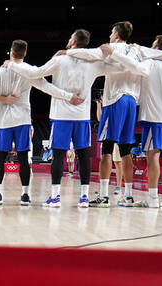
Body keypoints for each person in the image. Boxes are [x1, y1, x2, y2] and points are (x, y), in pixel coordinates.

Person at [0, 39, 80, 205]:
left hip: (4, 122)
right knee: (23, 157)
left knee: (0, 158)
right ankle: (25, 195)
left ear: (11, 52)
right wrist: (69, 96)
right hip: (23, 120)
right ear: (24, 54)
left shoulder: (1, 71)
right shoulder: (29, 71)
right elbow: (48, 88)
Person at [8, 29, 115, 207]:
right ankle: (84, 197)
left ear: (73, 42)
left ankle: (56, 197)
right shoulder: (93, 63)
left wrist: (12, 65)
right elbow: (117, 67)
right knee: (83, 156)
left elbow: (36, 73)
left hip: (61, 115)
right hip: (82, 116)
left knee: (58, 155)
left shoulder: (59, 59)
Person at [62, 21, 144, 206]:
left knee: (107, 149)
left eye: (111, 32)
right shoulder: (136, 51)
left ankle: (104, 196)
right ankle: (129, 196)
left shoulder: (113, 47)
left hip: (115, 99)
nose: (109, 35)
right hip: (132, 100)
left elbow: (91, 54)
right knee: (125, 151)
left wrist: (68, 52)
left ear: (117, 34)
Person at [107, 35, 162, 208]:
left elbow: (133, 66)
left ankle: (153, 198)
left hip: (153, 118)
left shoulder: (150, 63)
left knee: (153, 156)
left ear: (156, 48)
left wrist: (114, 53)